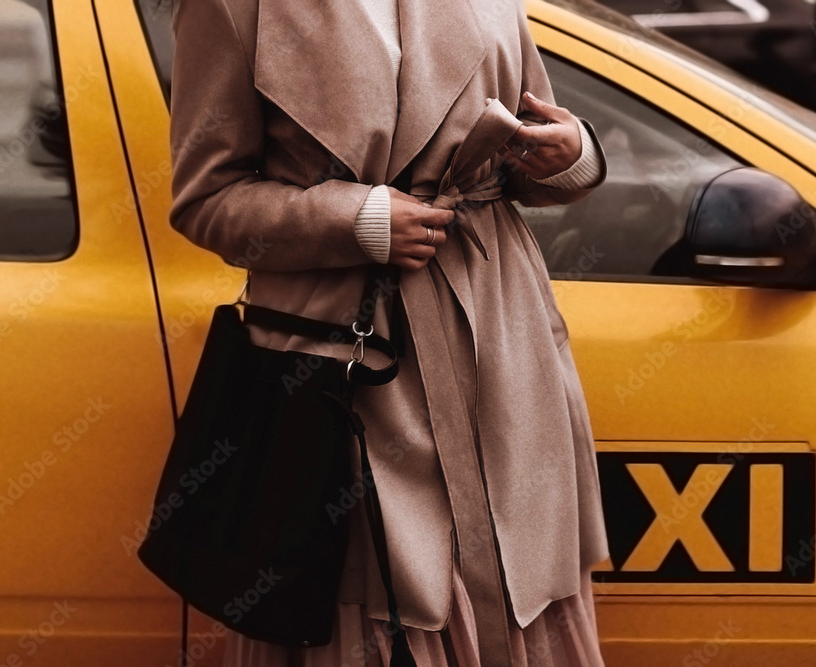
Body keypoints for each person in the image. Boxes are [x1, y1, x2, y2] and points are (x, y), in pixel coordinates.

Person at [168, 0, 611, 664]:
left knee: (517, 584)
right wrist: (356, 220)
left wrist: (570, 152)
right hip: (343, 372)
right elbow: (206, 199)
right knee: (375, 600)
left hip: (497, 341)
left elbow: (520, 142)